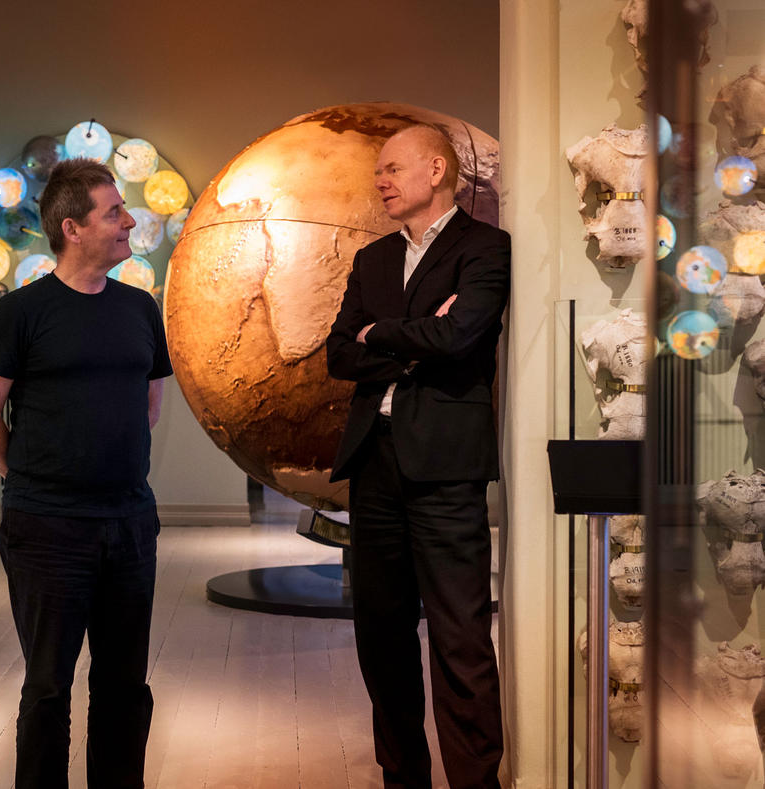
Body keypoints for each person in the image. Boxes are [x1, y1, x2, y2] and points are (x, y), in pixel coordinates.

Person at [0, 158, 173, 789]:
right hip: (48, 531)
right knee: (49, 687)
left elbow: (150, 405)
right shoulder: (20, 313)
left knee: (124, 688)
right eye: (114, 211)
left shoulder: (140, 308)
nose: (128, 220)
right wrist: (32, 481)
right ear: (72, 228)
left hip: (130, 523)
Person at [325, 124, 509, 789]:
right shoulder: (372, 258)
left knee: (461, 641)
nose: (380, 180)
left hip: (446, 471)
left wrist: (386, 332)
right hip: (373, 464)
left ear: (437, 169)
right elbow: (339, 352)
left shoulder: (485, 248)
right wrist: (413, 336)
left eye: (391, 167)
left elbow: (461, 335)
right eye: (379, 171)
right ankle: (403, 778)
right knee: (381, 637)